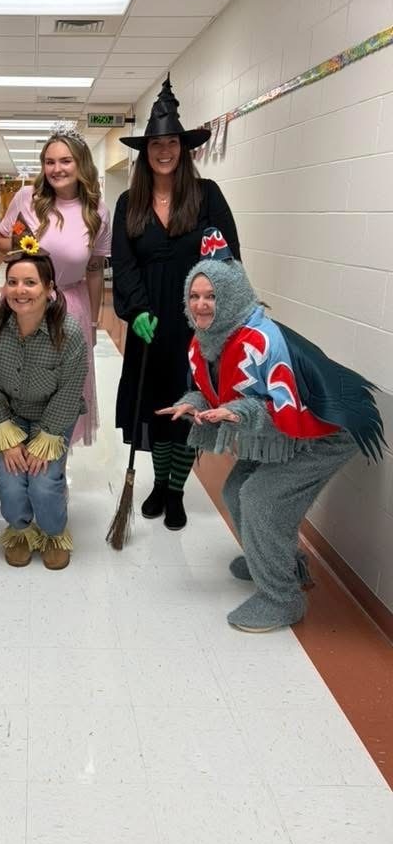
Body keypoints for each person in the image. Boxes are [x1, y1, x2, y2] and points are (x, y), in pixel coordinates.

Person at [159, 230, 384, 632]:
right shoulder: (207, 340)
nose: (201, 304)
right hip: (281, 428)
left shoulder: (259, 339)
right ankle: (279, 561)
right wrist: (193, 404)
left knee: (262, 500)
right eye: (194, 296)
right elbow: (212, 389)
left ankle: (281, 599)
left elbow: (284, 404)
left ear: (230, 296)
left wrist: (234, 411)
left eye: (211, 295)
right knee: (235, 491)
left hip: (325, 429)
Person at [112, 75, 240, 529]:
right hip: (149, 324)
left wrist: (209, 312)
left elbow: (227, 258)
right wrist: (135, 310)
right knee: (156, 407)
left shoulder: (207, 197)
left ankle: (177, 490)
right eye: (155, 144)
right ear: (145, 152)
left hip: (196, 326)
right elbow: (124, 263)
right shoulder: (130, 202)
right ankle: (157, 482)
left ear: (183, 149)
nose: (164, 150)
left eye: (171, 143)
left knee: (188, 410)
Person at [0, 123, 110, 446]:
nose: (57, 169)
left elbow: (96, 268)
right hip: (24, 300)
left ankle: (53, 455)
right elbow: (0, 238)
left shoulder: (97, 210)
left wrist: (95, 320)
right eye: (50, 162)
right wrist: (20, 244)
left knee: (64, 381)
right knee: (20, 373)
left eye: (65, 161)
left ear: (81, 164)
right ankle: (17, 442)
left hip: (71, 302)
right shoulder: (27, 197)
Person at [0, 244, 87, 570]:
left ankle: (54, 533)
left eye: (30, 283)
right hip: (9, 416)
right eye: (12, 282)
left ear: (49, 289)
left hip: (52, 417)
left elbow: (70, 391)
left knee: (44, 482)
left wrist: (45, 440)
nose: (20, 291)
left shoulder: (69, 333)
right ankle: (21, 531)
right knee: (11, 481)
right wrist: (6, 433)